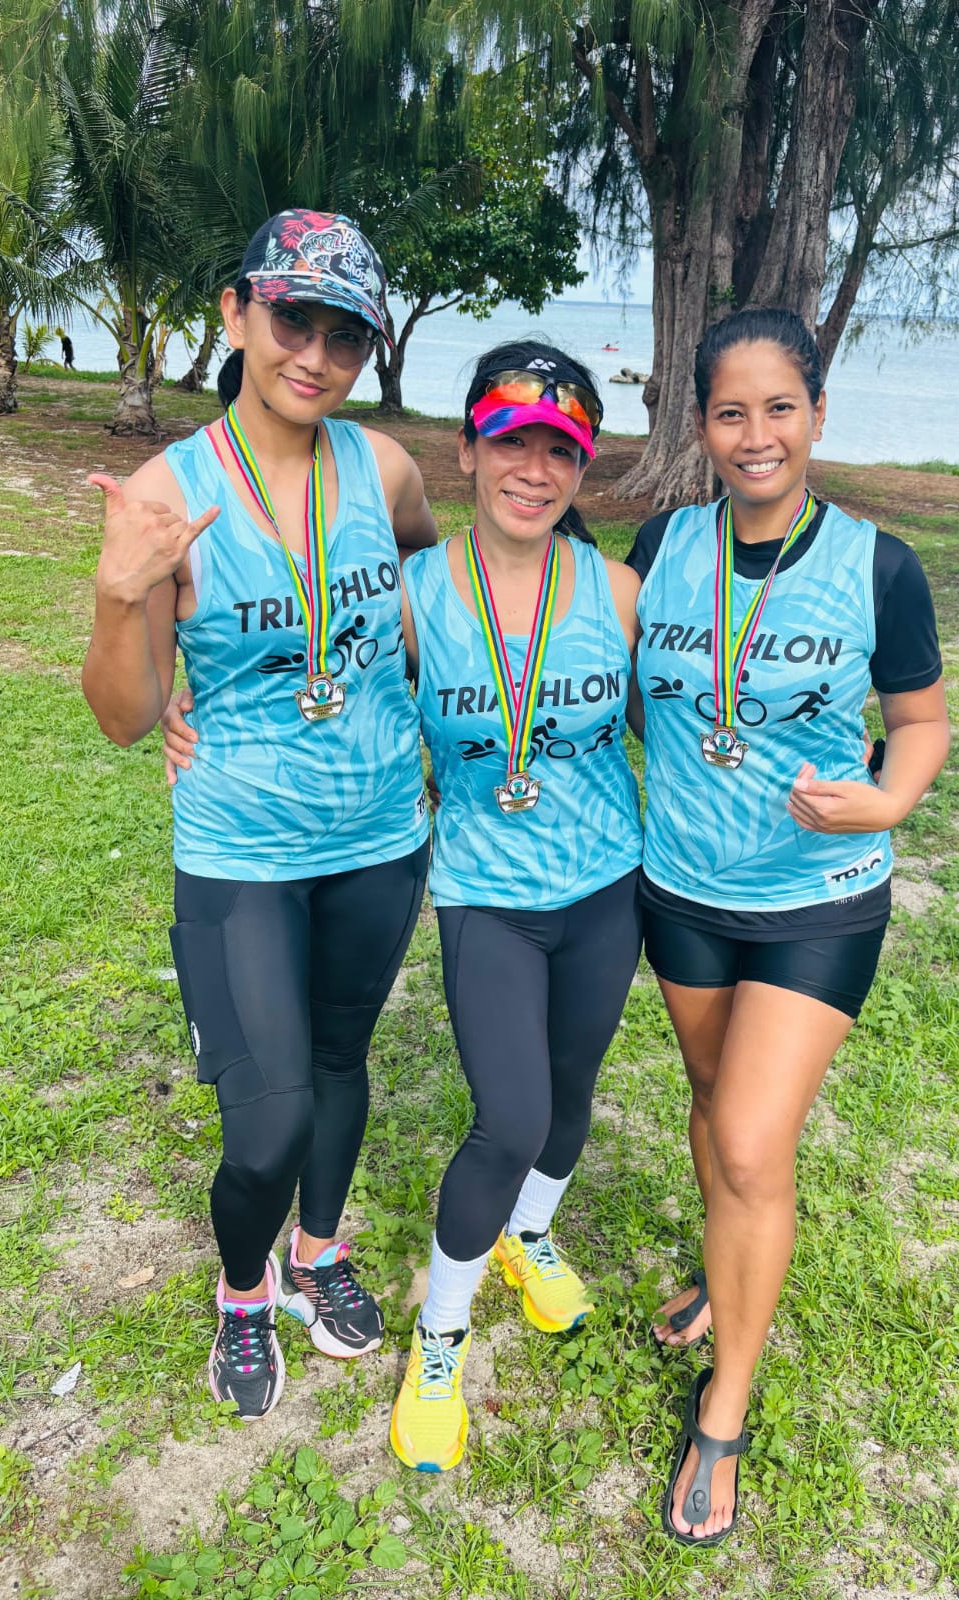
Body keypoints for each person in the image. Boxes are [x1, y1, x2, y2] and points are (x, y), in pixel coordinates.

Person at [81, 209, 437, 1422]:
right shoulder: (164, 491)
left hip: (384, 837)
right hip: (241, 845)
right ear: (236, 313)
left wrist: (408, 660)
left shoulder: (384, 468)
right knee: (266, 1115)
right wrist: (120, 599)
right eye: (294, 319)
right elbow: (126, 718)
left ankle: (316, 1252)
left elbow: (426, 584)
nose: (318, 355)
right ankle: (243, 1289)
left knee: (343, 1058)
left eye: (347, 334)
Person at [627, 306, 950, 1543]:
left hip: (817, 898)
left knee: (755, 1142)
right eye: (729, 410)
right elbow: (589, 665)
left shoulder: (879, 564)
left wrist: (888, 795)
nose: (755, 435)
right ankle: (725, 1283)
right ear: (699, 422)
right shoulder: (662, 542)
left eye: (779, 407)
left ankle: (727, 1408)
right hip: (683, 890)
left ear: (817, 413)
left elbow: (920, 722)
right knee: (713, 1109)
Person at [391, 344, 643, 1472]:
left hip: (605, 888)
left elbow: (695, 720)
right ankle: (439, 1337)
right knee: (510, 1117)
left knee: (572, 1095)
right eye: (511, 442)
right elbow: (333, 705)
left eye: (560, 449)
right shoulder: (412, 598)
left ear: (580, 468)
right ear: (468, 449)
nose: (533, 469)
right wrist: (196, 724)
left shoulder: (619, 594)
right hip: (488, 893)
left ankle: (527, 1238)